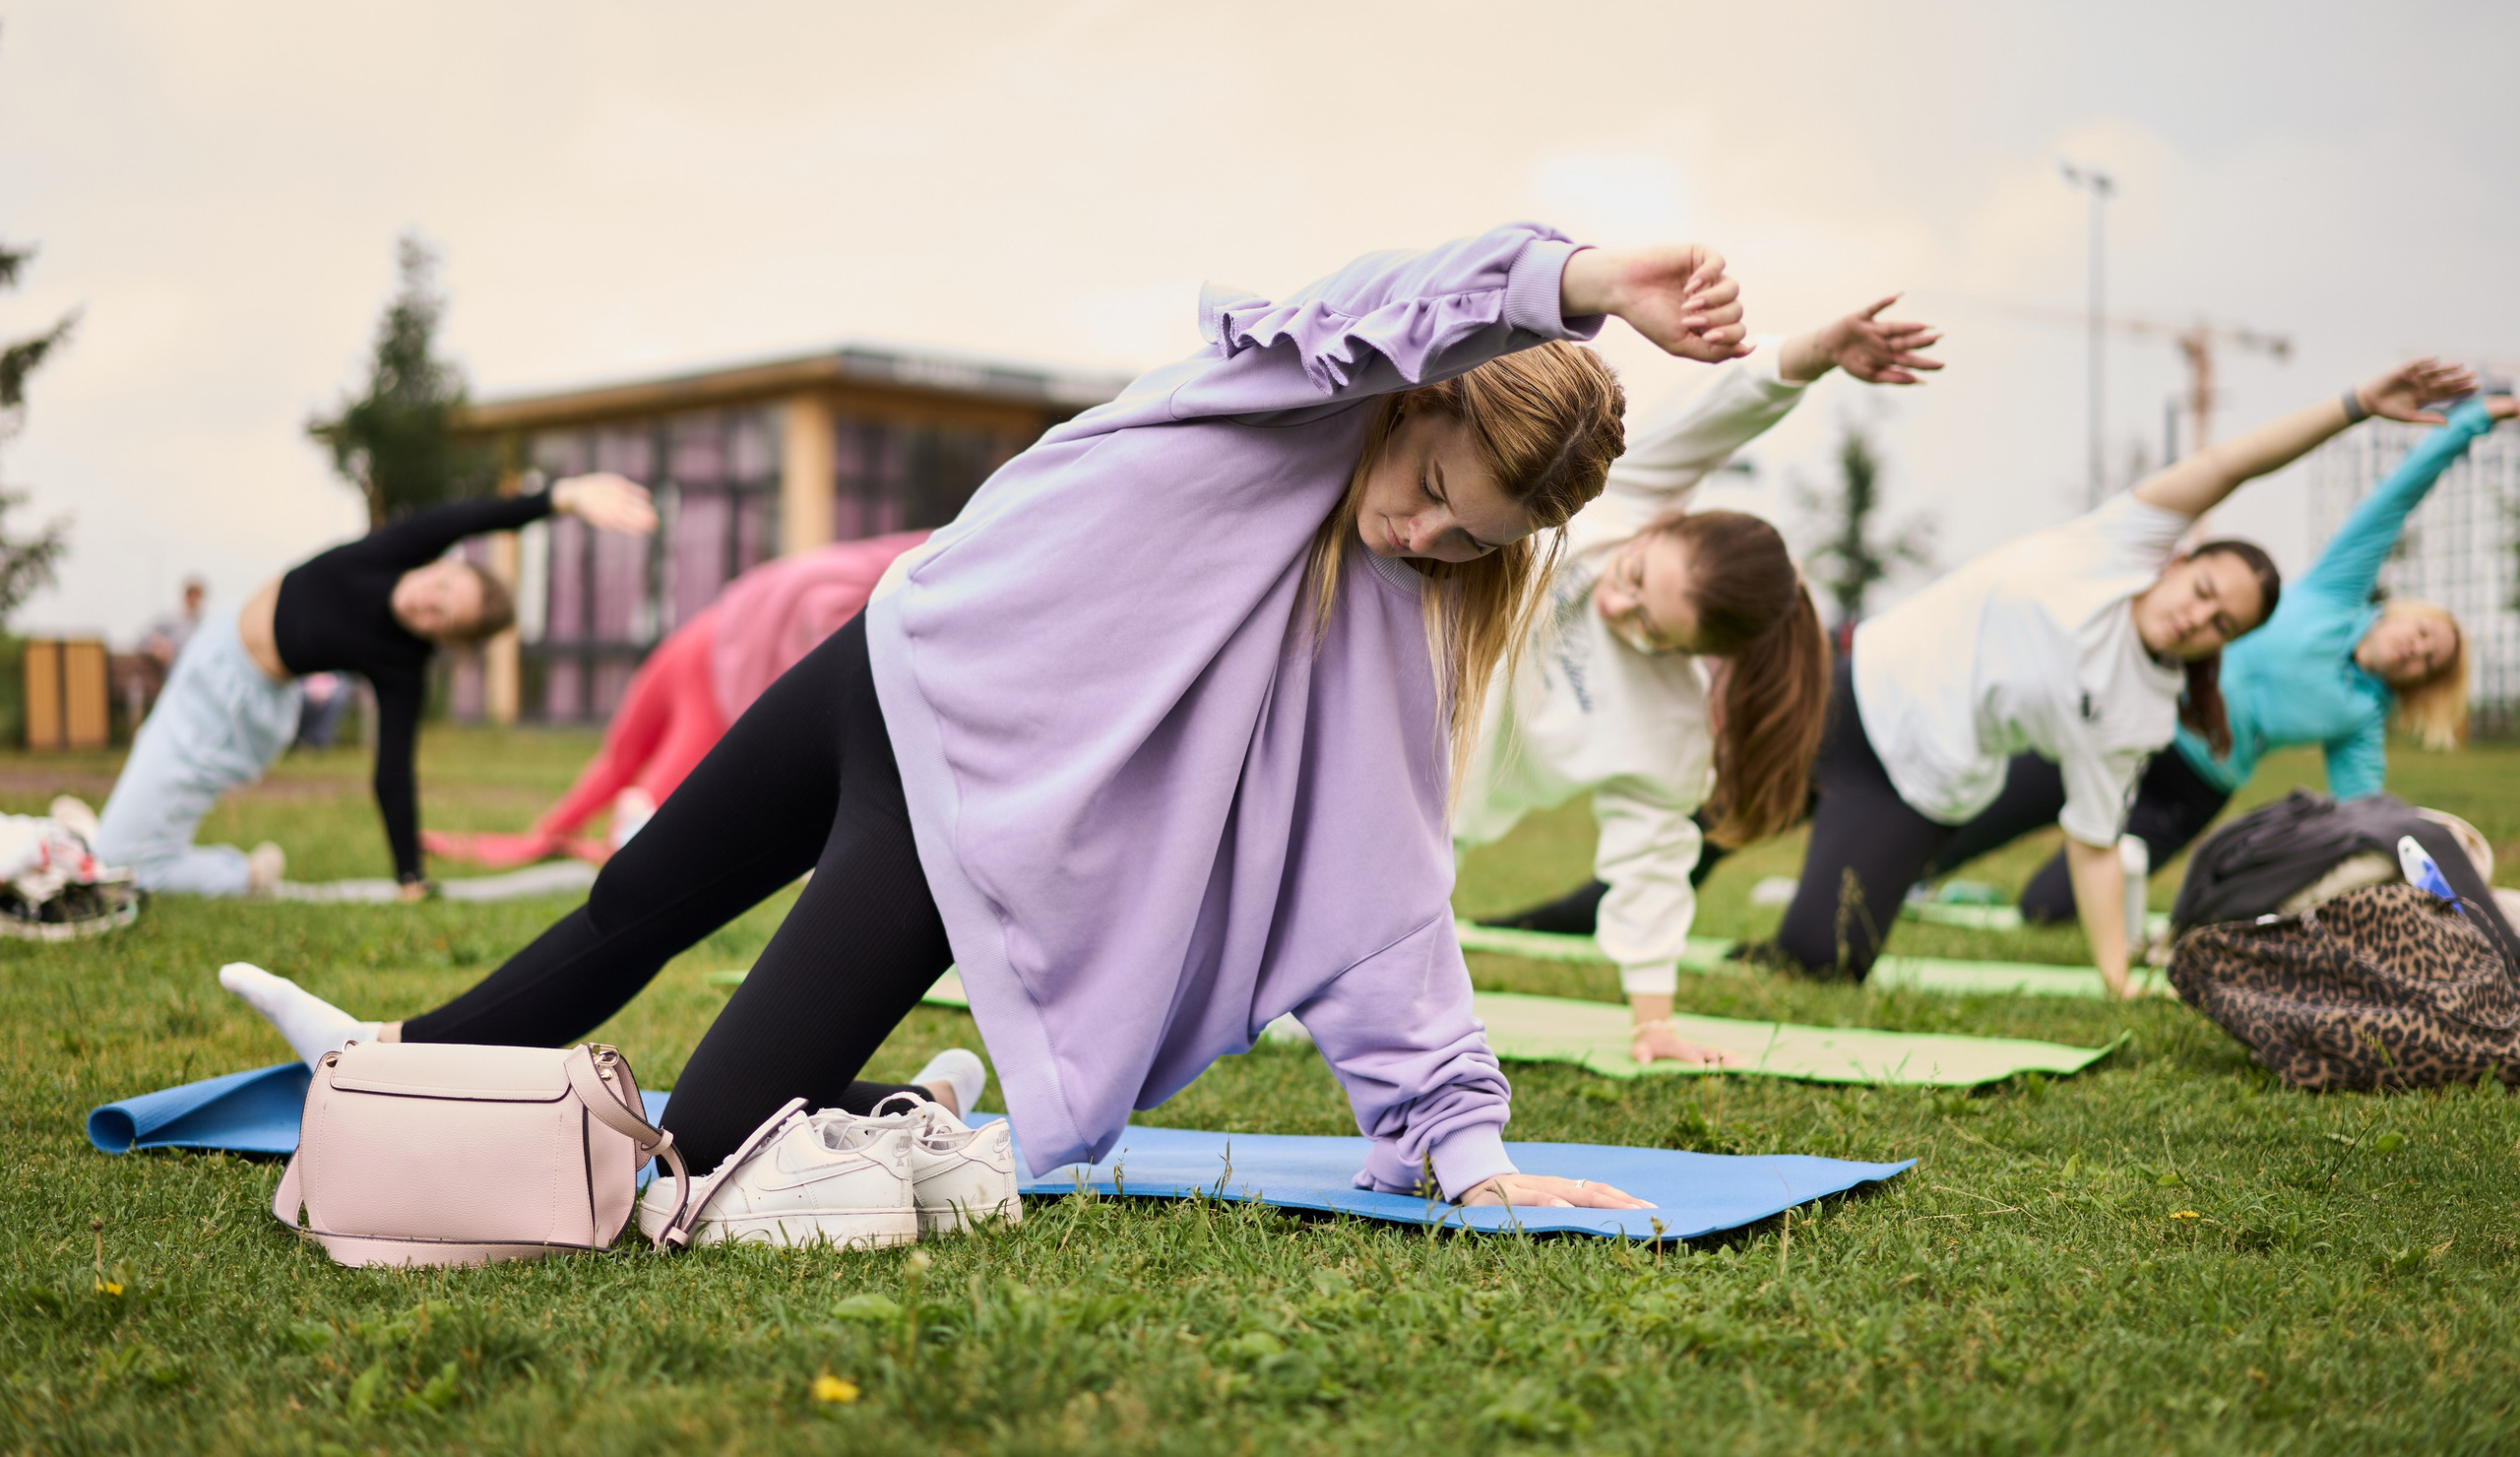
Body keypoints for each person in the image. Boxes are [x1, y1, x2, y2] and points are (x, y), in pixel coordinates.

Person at [221, 222, 1747, 1219]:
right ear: (1417, 399)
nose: (1426, 537)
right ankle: (388, 1057)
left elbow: (1387, 891)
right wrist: (1583, 282)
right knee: (631, 902)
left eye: (1470, 541)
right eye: (1429, 493)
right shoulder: (1286, 392)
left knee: (709, 1149)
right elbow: (1394, 301)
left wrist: (1469, 1152)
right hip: (882, 663)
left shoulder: (1381, 625)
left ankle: (916, 1112)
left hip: (953, 820)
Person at [1744, 358, 2475, 997]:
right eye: (2203, 592)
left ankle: (1827, 902)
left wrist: (2118, 977)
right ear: (2178, 562)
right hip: (1858, 689)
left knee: (1826, 961)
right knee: (1717, 809)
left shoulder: (2155, 714)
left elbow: (2098, 845)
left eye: (2222, 623)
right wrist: (2358, 405)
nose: (2199, 617)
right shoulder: (2123, 544)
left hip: (1927, 781)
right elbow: (2235, 463)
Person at [1455, 295, 1942, 1064]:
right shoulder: (1628, 499)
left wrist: (1653, 1022)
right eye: (1636, 576)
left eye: (1653, 628)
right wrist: (1815, 349)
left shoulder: (1670, 733)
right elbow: (1719, 411)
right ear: (1661, 526)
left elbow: (1650, 867)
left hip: (1434, 817)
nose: (1617, 607)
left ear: (1697, 654)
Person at [1955, 391, 2517, 924]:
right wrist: (2470, 422)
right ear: (2400, 612)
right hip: (2122, 718)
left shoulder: (2360, 719)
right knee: (1972, 817)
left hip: (2188, 790)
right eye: (2424, 633)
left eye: (2428, 662)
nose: (2417, 650)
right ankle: (1918, 872)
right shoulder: (2336, 592)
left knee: (2046, 909)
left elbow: (2362, 818)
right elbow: (2396, 499)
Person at [96, 477, 655, 898]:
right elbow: (475, 515)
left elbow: (393, 773)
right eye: (442, 585)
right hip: (215, 644)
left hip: (234, 709)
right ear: (440, 565)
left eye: (443, 614)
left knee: (127, 866)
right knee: (132, 826)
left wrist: (410, 876)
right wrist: (563, 497)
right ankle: (134, 843)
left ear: (445, 638)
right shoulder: (397, 551)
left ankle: (238, 876)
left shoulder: (401, 665)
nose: (427, 600)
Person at [424, 530, 935, 869]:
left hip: (710, 646)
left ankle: (548, 836)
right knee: (635, 806)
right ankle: (545, 837)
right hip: (715, 664)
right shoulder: (919, 567)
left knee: (634, 800)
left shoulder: (903, 559)